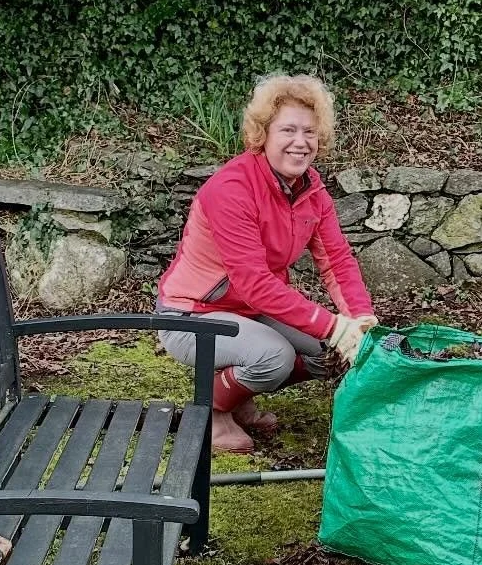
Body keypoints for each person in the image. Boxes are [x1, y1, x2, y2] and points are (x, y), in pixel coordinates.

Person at [157, 74, 377, 453]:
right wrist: (330, 325)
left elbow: (337, 259)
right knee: (276, 357)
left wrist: (358, 319)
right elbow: (254, 281)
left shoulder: (311, 189)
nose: (300, 141)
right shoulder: (232, 189)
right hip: (191, 316)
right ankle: (210, 412)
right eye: (288, 129)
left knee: (330, 355)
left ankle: (237, 394)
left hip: (251, 311)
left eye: (309, 132)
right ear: (263, 134)